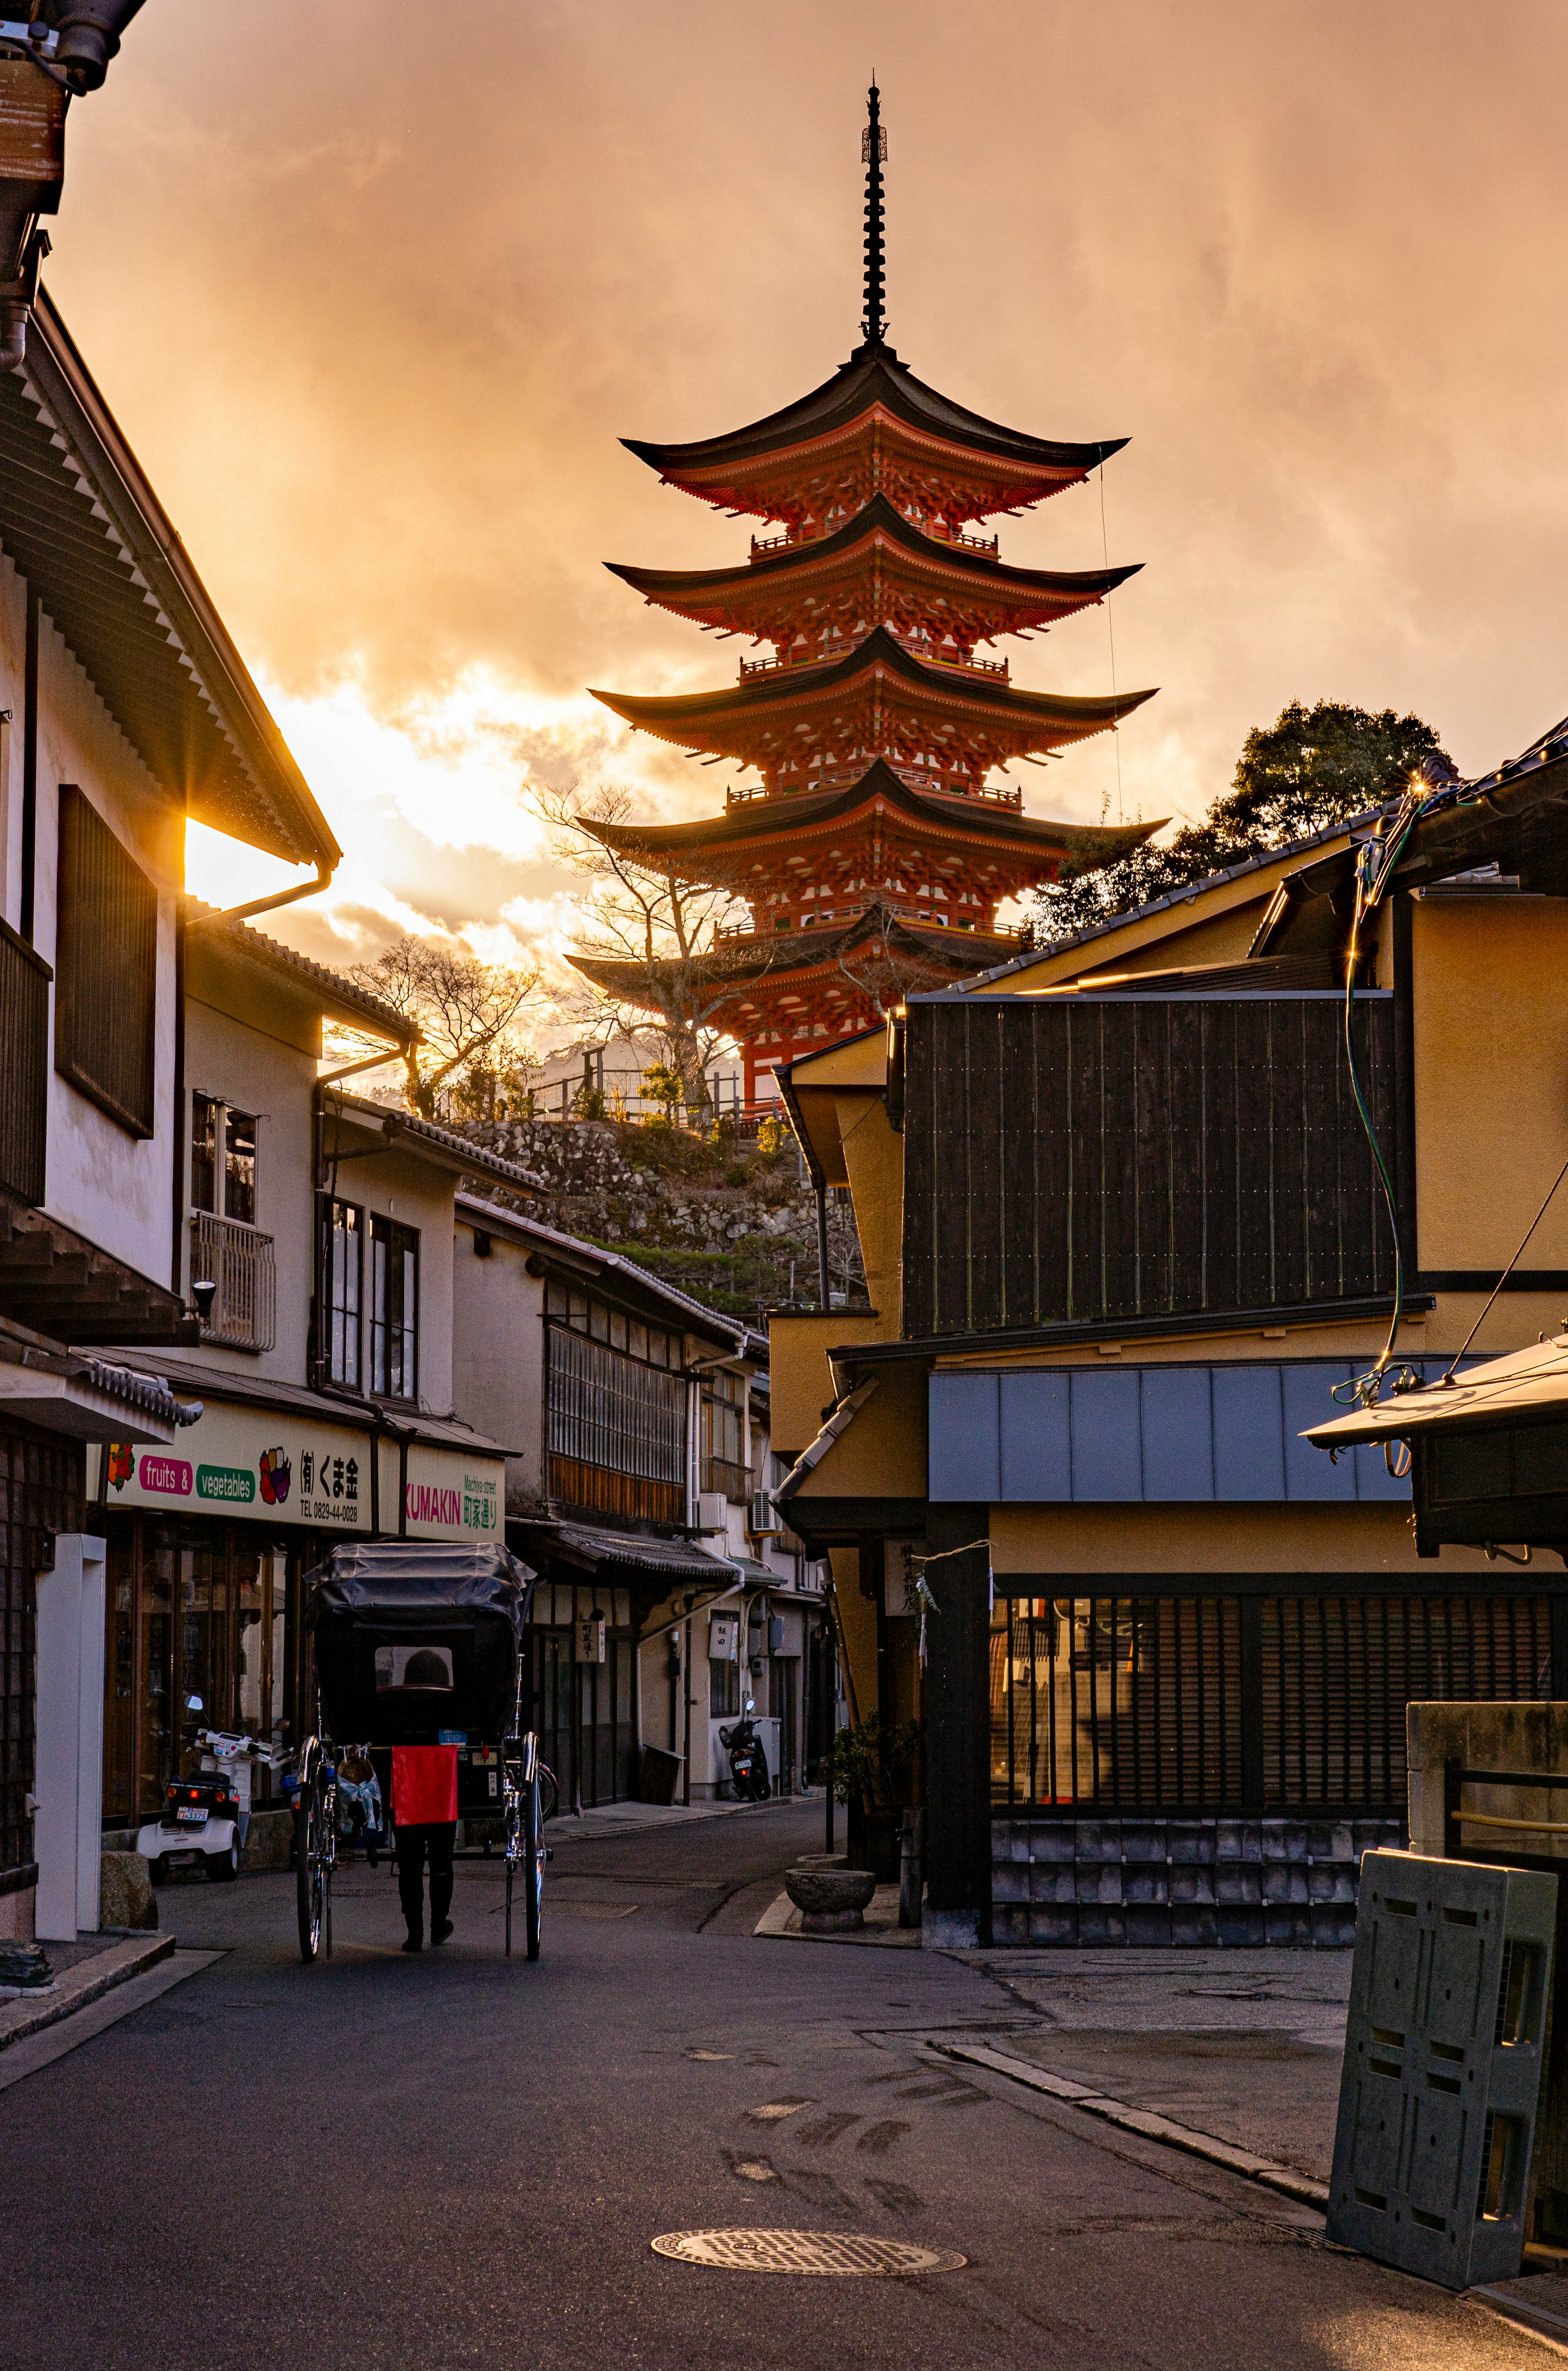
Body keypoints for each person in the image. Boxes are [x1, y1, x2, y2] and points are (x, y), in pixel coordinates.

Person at [394, 1650, 459, 1952]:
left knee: (410, 1861)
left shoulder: (395, 1709)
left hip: (406, 1784)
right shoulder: (455, 1706)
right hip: (443, 1787)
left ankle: (414, 1932)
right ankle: (438, 1924)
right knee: (441, 1859)